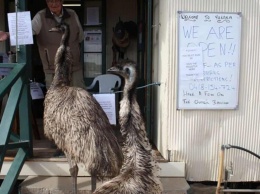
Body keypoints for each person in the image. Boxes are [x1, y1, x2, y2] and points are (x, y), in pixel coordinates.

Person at [0, 0, 85, 89]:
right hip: (52, 69)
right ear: (46, 2)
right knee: (55, 100)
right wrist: (7, 34)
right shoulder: (40, 16)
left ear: (62, 1)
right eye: (50, 1)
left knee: (79, 98)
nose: (53, 4)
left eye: (56, 1)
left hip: (74, 68)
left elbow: (80, 37)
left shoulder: (72, 14)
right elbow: (27, 30)